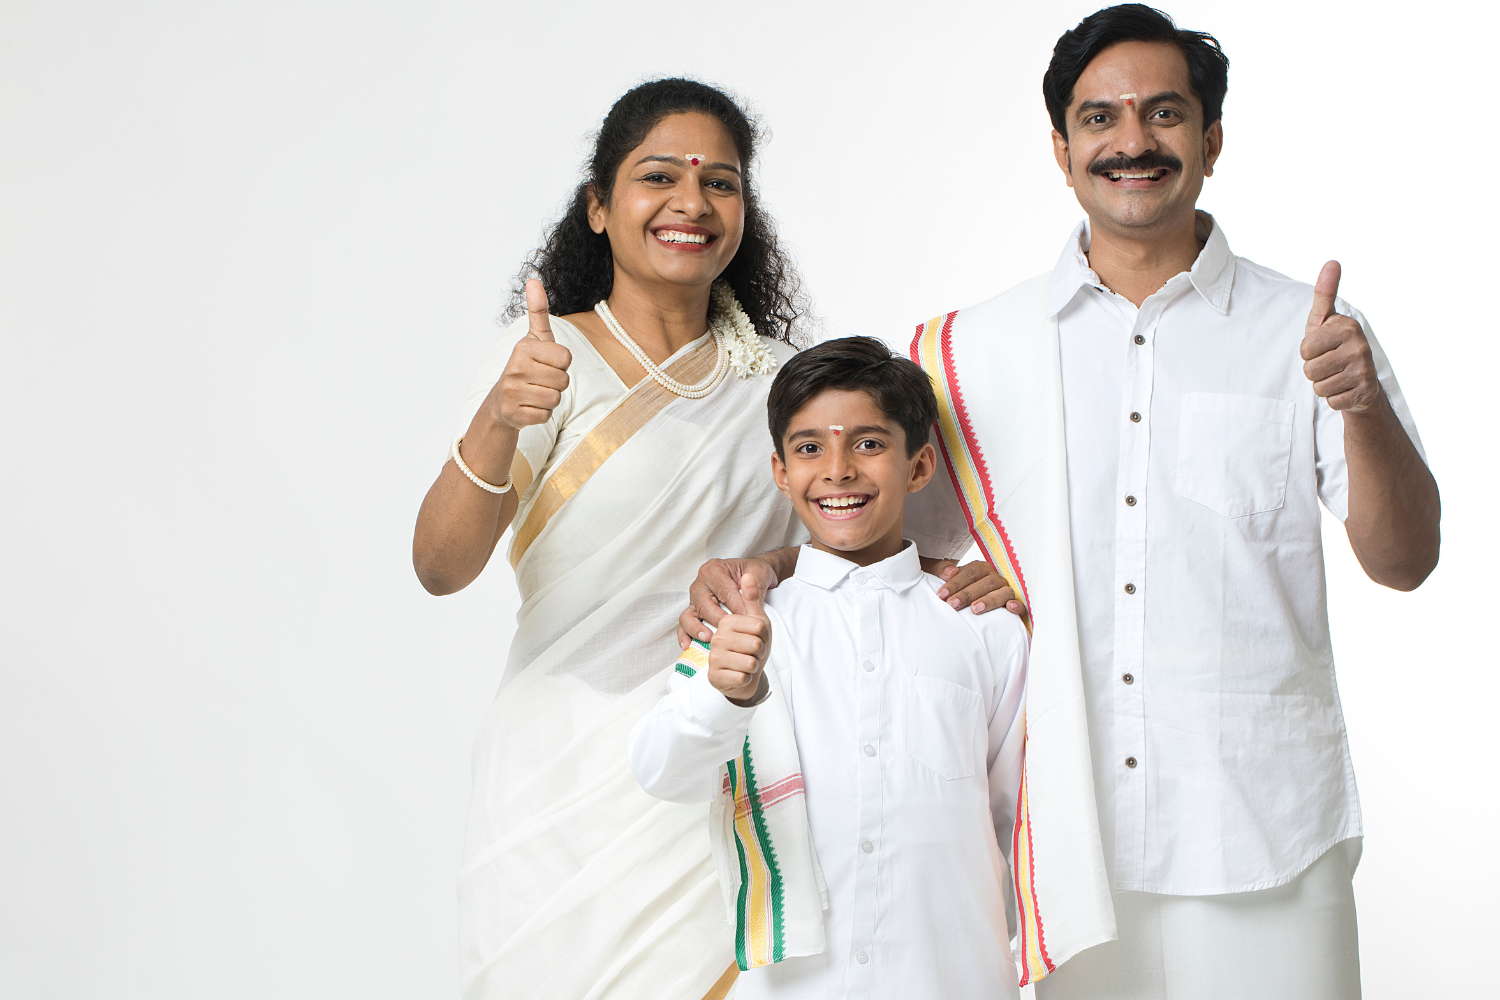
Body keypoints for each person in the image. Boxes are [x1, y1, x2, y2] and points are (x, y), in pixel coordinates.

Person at [411, 79, 1010, 1000]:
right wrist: (502, 414)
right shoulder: (541, 361)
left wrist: (969, 580)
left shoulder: (779, 385)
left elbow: (842, 528)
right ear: (600, 206)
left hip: (731, 748)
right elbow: (441, 569)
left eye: (721, 184)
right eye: (659, 177)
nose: (692, 203)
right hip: (557, 773)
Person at [900, 6, 1441, 999]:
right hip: (1065, 837)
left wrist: (1360, 408)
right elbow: (900, 568)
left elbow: (1404, 561)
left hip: (1266, 833)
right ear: (1062, 149)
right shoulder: (971, 353)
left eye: (1163, 112)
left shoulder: (1309, 333)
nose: (1133, 141)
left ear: (1212, 137)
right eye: (1100, 118)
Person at [628, 337, 1030, 1000]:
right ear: (781, 472)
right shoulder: (744, 620)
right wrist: (727, 698)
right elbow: (662, 771)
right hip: (796, 985)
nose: (838, 470)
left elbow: (1014, 819)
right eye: (810, 448)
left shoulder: (983, 627)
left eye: (869, 444)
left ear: (920, 465)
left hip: (949, 976)